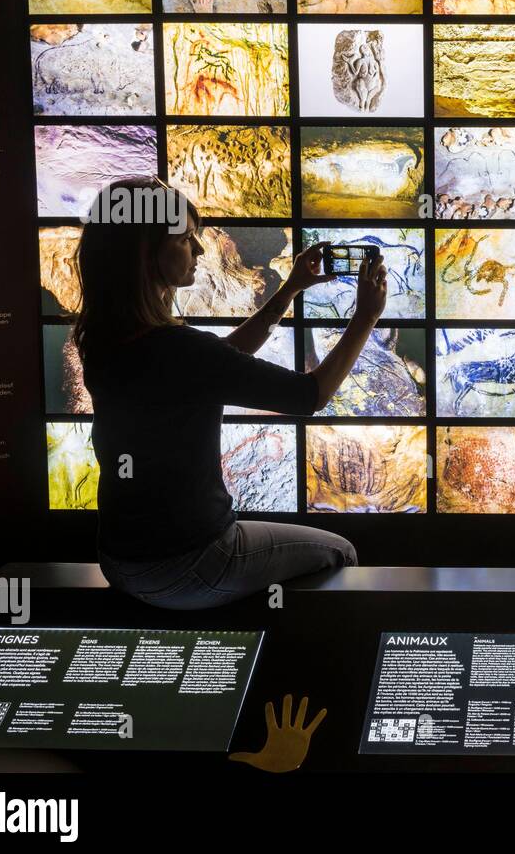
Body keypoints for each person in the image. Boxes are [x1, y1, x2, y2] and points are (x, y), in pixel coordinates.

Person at [74, 176, 387, 609]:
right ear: (146, 254)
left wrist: (290, 289)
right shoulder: (180, 349)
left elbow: (219, 360)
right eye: (186, 240)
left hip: (120, 560)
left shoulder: (103, 339)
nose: (200, 251)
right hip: (190, 564)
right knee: (341, 553)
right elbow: (309, 396)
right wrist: (366, 318)